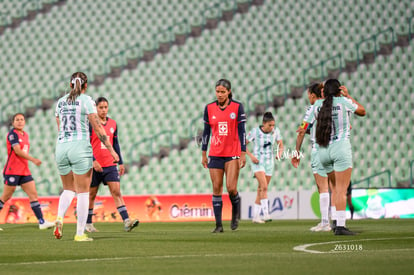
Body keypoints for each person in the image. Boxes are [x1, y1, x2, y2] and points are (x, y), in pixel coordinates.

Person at [54, 72, 119, 242]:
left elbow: (60, 127)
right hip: (80, 148)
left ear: (70, 85)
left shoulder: (60, 103)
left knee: (68, 189)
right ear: (86, 85)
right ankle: (80, 233)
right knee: (83, 192)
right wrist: (112, 150)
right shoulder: (87, 101)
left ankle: (59, 217)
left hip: (61, 147)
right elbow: (98, 127)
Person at [315, 79, 365, 235]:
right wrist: (349, 95)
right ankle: (340, 226)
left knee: (335, 189)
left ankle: (336, 221)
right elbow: (362, 111)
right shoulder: (344, 101)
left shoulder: (319, 105)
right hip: (340, 148)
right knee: (342, 190)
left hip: (323, 150)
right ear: (339, 90)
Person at [86, 97, 139, 233]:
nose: (103, 110)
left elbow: (115, 144)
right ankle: (88, 223)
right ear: (96, 108)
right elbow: (86, 144)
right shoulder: (91, 124)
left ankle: (127, 221)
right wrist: (93, 160)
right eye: (101, 107)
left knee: (116, 191)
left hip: (110, 164)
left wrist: (120, 162)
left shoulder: (113, 124)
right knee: (91, 195)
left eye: (105, 107)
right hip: (94, 165)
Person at [201, 79, 246, 233]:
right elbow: (206, 133)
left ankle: (236, 210)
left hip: (232, 153)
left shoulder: (237, 107)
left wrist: (243, 153)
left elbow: (242, 131)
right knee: (216, 188)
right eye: (217, 91)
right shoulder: (209, 108)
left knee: (231, 188)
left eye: (222, 92)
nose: (219, 94)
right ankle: (219, 225)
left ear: (229, 92)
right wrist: (203, 153)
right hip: (215, 153)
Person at [0, 113, 54, 230]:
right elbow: (18, 151)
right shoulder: (12, 135)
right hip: (12, 170)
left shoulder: (25, 135)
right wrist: (33, 159)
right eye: (17, 120)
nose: (20, 121)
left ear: (25, 122)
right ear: (13, 123)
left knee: (33, 195)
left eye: (22, 119)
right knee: (6, 196)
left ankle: (42, 221)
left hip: (24, 170)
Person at [291, 83, 332, 232]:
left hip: (319, 149)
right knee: (334, 187)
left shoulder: (313, 108)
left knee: (322, 187)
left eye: (309, 95)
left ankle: (325, 222)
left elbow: (302, 130)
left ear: (313, 95)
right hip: (335, 148)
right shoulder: (333, 105)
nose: (308, 98)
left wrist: (296, 153)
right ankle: (337, 221)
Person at [246, 112, 283, 223]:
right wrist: (251, 156)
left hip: (269, 163)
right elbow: (243, 144)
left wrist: (279, 153)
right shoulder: (255, 132)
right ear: (264, 123)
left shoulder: (276, 131)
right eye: (269, 125)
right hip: (258, 162)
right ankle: (266, 214)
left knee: (261, 189)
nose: (272, 128)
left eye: (273, 125)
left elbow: (281, 144)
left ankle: (256, 217)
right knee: (264, 186)